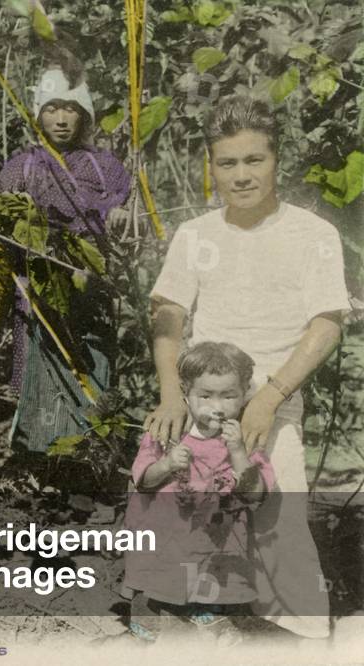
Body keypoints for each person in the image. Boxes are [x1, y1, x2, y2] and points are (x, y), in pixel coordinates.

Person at [144, 95, 350, 638]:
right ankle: (205, 631)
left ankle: (306, 641)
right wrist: (171, 396)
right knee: (190, 521)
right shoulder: (196, 236)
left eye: (254, 161)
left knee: (280, 525)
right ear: (210, 168)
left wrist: (271, 396)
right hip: (202, 406)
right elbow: (168, 315)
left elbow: (327, 324)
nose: (241, 176)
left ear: (277, 161)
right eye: (227, 164)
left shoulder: (313, 235)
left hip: (271, 404)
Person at [0, 67, 131, 452]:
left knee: (90, 365)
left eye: (70, 109)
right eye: (51, 109)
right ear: (37, 114)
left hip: (89, 287)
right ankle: (40, 457)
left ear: (84, 115)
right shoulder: (23, 165)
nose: (61, 119)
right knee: (42, 369)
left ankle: (90, 452)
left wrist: (122, 219)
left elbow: (132, 216)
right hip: (37, 290)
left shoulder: (105, 167)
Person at [124, 341, 274, 641]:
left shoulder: (245, 441)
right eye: (205, 395)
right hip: (166, 533)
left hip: (217, 536)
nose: (216, 406)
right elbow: (142, 479)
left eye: (228, 396)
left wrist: (238, 453)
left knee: (212, 580)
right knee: (158, 581)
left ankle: (208, 617)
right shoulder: (168, 433)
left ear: (244, 394)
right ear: (186, 394)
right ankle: (149, 625)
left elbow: (256, 493)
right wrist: (167, 464)